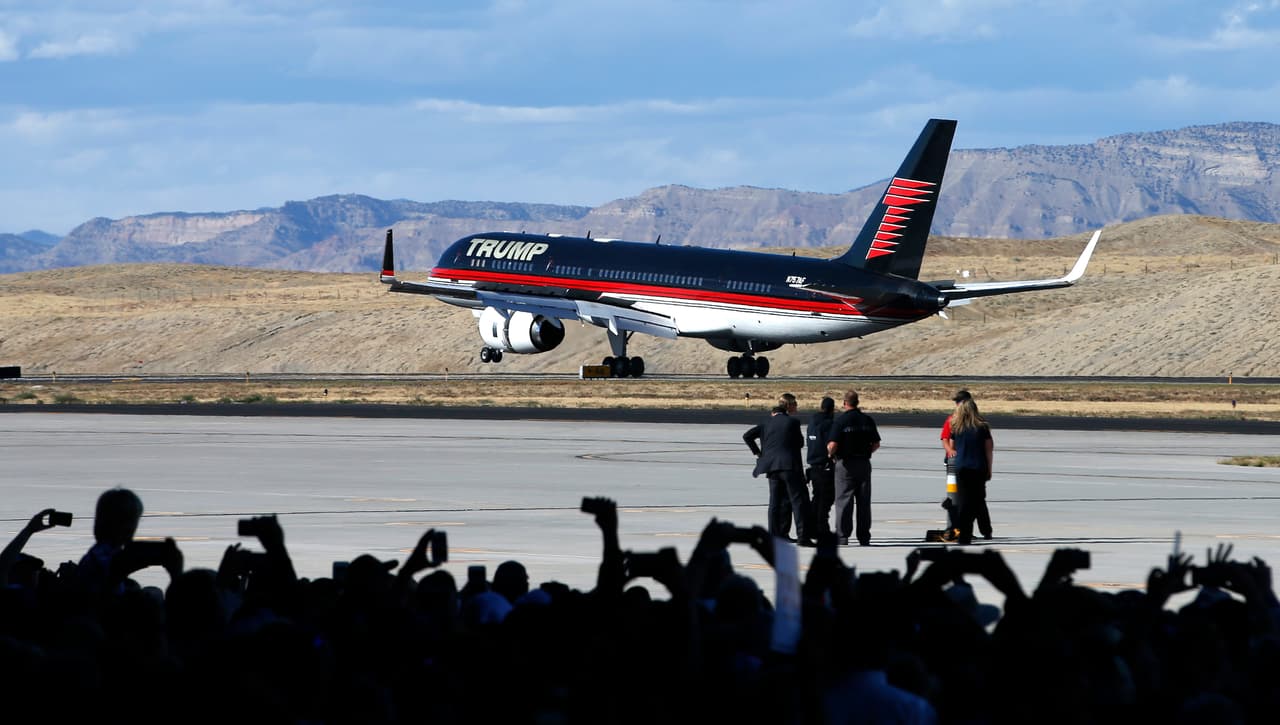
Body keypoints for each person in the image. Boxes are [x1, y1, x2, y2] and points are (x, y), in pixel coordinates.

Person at [743, 394, 814, 545]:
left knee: (775, 503)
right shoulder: (793, 422)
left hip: (771, 467)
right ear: (788, 405)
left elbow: (747, 436)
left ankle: (776, 535)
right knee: (797, 501)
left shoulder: (766, 422)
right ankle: (803, 537)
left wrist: (759, 453)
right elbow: (800, 443)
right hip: (789, 467)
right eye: (794, 403)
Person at [826, 390, 881, 546]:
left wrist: (831, 455)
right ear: (857, 402)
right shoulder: (867, 420)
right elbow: (876, 444)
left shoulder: (841, 421)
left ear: (845, 403)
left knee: (844, 501)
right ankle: (864, 537)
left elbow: (833, 445)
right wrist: (865, 453)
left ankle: (843, 536)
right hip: (863, 463)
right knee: (864, 502)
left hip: (845, 463)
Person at [948, 398, 994, 545]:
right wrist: (989, 469)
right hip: (978, 467)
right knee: (977, 501)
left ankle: (964, 534)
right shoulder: (982, 427)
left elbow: (952, 447)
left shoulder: (956, 427)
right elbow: (989, 449)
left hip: (961, 468)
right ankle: (978, 531)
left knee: (963, 502)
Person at [806, 396, 837, 535]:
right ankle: (821, 529)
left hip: (813, 464)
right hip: (825, 465)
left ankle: (811, 527)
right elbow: (831, 444)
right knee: (826, 498)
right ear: (832, 409)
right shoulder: (829, 423)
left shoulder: (812, 422)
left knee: (817, 497)